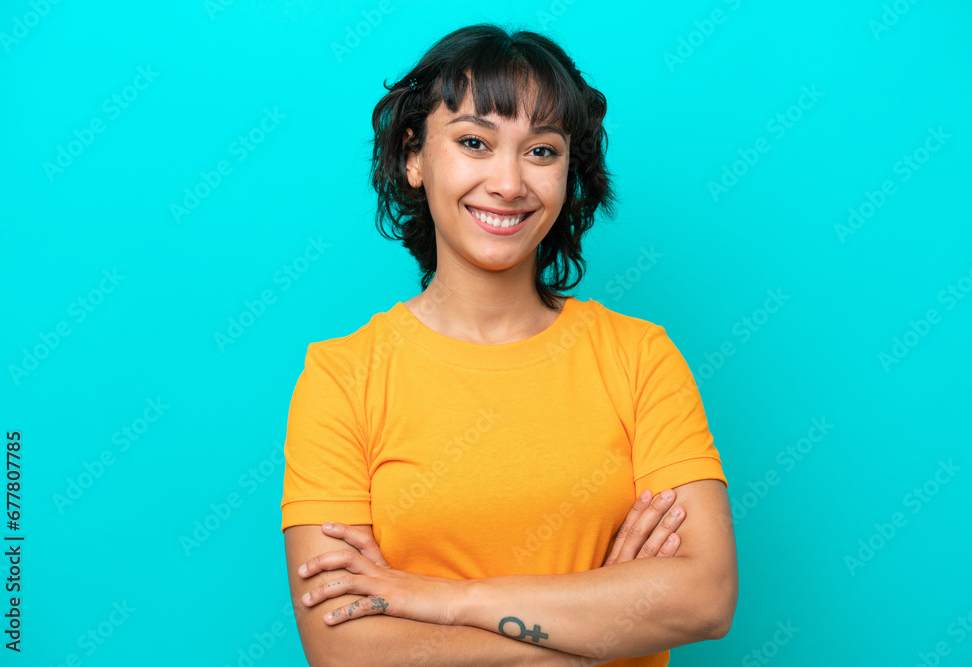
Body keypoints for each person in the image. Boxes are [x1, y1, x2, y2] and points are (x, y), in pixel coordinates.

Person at [280, 23, 738, 667]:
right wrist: (601, 621)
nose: (508, 182)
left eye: (542, 151)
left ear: (568, 172)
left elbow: (705, 598)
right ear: (413, 156)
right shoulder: (341, 377)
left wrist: (445, 601)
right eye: (474, 142)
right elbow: (348, 652)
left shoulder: (640, 357)